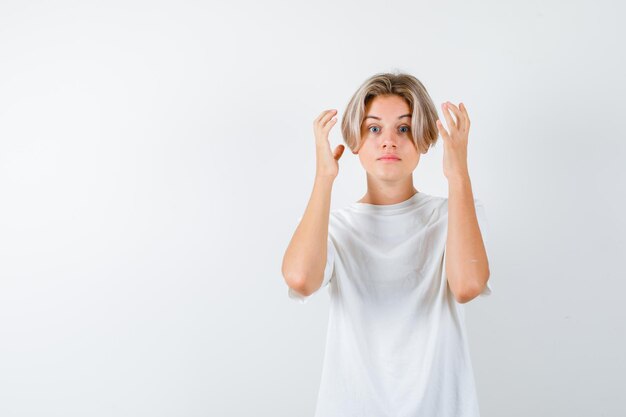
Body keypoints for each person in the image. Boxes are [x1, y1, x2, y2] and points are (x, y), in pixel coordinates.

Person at [281, 72, 493, 417]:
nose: (389, 141)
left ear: (425, 139)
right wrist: (324, 178)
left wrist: (458, 175)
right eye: (374, 128)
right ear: (355, 140)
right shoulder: (335, 227)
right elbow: (300, 279)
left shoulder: (454, 214)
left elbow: (468, 286)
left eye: (405, 128)